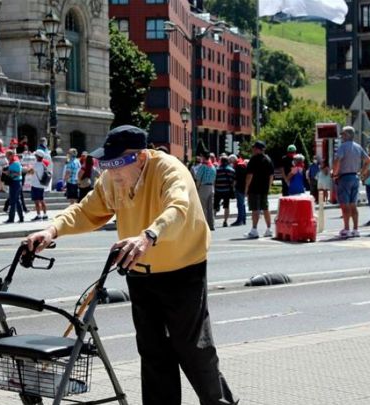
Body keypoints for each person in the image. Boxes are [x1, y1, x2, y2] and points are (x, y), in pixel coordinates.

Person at [25, 125, 237, 405]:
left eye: (117, 166)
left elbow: (179, 208)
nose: (111, 174)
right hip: (139, 272)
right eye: (107, 166)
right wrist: (52, 230)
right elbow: (86, 211)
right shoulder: (114, 181)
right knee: (153, 352)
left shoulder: (169, 170)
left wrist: (149, 235)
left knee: (193, 348)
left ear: (139, 158)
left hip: (183, 270)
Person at [333, 126, 370, 238]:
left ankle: (346, 228)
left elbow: (337, 160)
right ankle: (355, 229)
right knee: (353, 205)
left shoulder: (343, 147)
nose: (342, 137)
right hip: (355, 177)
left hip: (344, 177)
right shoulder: (358, 147)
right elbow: (368, 161)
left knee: (344, 205)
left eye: (343, 134)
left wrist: (335, 173)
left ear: (348, 135)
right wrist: (362, 172)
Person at [244, 141, 274, 239]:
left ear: (257, 149)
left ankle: (254, 230)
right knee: (265, 208)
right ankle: (269, 229)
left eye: (254, 148)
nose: (253, 149)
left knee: (255, 209)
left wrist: (246, 188)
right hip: (264, 188)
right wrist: (268, 187)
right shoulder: (268, 159)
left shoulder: (253, 160)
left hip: (254, 188)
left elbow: (250, 175)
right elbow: (271, 176)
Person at [195, 152, 217, 231]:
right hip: (211, 187)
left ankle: (205, 225)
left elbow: (198, 178)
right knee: (210, 207)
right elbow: (214, 178)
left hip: (203, 187)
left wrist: (197, 188)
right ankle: (212, 225)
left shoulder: (203, 167)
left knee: (203, 207)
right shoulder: (213, 167)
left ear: (203, 157)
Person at [28, 150, 51, 221]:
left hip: (35, 185)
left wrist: (29, 169)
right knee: (42, 200)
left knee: (36, 201)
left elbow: (30, 172)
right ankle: (45, 214)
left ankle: (38, 215)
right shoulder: (44, 164)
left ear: (37, 156)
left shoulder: (36, 164)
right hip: (42, 185)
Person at [3, 149, 25, 224]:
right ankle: (21, 218)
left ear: (11, 155)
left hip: (16, 182)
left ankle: (11, 218)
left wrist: (8, 173)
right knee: (17, 201)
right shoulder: (12, 162)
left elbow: (18, 173)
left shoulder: (16, 163)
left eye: (7, 156)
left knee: (13, 201)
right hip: (14, 182)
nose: (6, 157)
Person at [213, 156, 235, 227]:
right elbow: (233, 181)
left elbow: (214, 180)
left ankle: (213, 220)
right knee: (226, 206)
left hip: (218, 190)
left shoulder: (216, 170)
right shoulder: (231, 170)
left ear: (221, 161)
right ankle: (225, 221)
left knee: (215, 206)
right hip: (227, 190)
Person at [229, 154, 247, 226]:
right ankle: (243, 219)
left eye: (231, 161)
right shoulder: (242, 164)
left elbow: (236, 178)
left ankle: (240, 220)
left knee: (240, 204)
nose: (231, 163)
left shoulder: (238, 166)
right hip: (243, 186)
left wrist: (233, 186)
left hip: (239, 186)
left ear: (233, 160)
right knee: (242, 203)